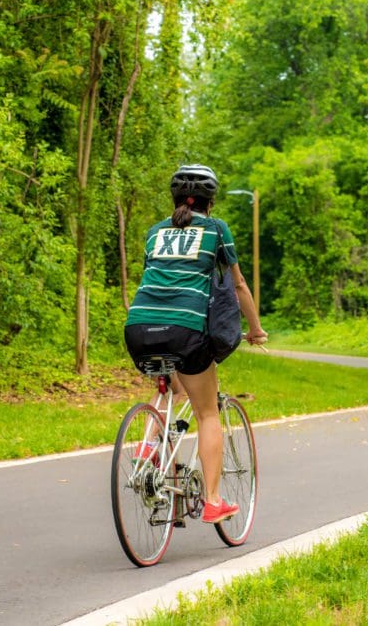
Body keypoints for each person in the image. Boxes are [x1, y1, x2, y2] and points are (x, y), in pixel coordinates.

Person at [124, 164, 266, 524]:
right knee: (207, 413)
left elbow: (160, 277)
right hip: (186, 329)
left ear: (175, 199)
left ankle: (147, 444)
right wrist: (255, 329)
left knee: (173, 384)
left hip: (139, 327)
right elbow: (238, 286)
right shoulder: (216, 230)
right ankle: (214, 501)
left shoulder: (155, 232)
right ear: (211, 201)